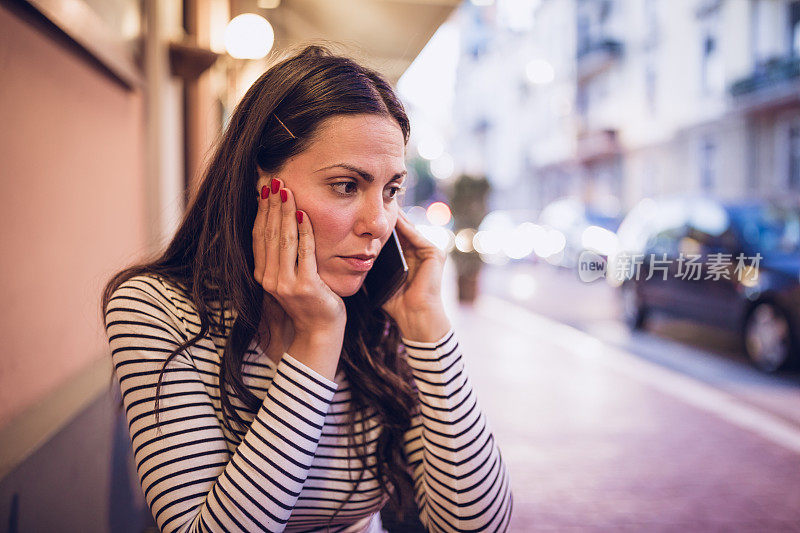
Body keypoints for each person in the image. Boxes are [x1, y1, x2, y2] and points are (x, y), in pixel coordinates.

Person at [102, 45, 512, 533]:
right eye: (345, 185)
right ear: (262, 182)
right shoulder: (157, 308)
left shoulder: (382, 311)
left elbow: (477, 525)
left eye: (391, 190)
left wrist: (429, 329)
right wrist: (317, 338)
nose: (378, 223)